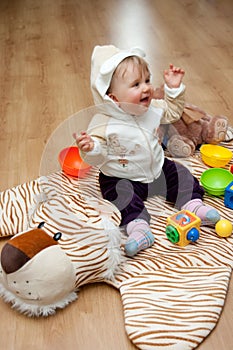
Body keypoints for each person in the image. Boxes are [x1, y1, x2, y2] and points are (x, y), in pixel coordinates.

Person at [73, 45, 220, 257]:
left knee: (180, 174)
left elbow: (173, 111)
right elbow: (98, 153)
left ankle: (193, 206)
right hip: (121, 177)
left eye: (147, 80)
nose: (146, 88)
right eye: (136, 84)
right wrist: (90, 147)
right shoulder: (104, 123)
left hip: (156, 170)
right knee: (121, 198)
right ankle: (139, 229)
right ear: (112, 98)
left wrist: (173, 90)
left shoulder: (153, 109)